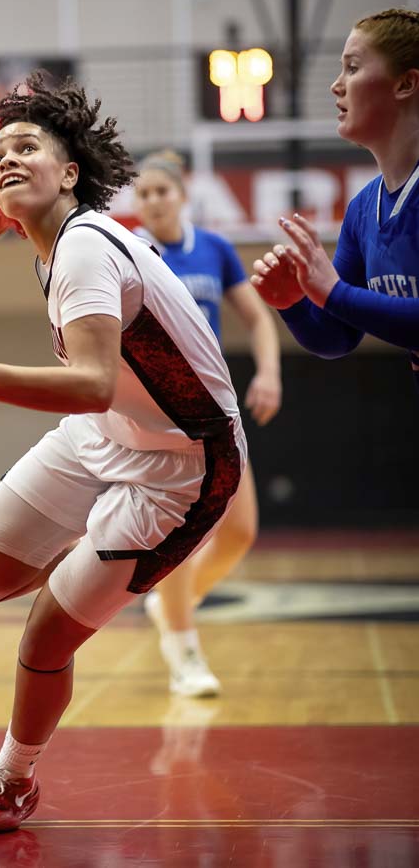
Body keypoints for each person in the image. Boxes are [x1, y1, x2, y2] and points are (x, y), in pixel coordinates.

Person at [0, 73, 247, 835]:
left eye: (28, 147)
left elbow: (91, 383)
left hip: (183, 465)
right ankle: (100, 564)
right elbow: (99, 399)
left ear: (69, 171)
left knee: (46, 631)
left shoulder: (84, 244)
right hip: (106, 435)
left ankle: (13, 777)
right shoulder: (50, 251)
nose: (7, 159)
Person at [132, 150, 281, 697]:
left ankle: (173, 605)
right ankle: (184, 654)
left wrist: (268, 372)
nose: (151, 202)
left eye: (160, 192)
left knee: (239, 532)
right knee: (179, 538)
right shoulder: (130, 251)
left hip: (217, 407)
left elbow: (257, 317)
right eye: (142, 194)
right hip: (160, 412)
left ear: (182, 194)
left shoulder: (214, 249)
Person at [250, 8, 419, 393]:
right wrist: (292, 302)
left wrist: (333, 291)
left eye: (353, 68)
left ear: (406, 84)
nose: (336, 86)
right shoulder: (363, 208)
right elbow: (336, 336)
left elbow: (341, 300)